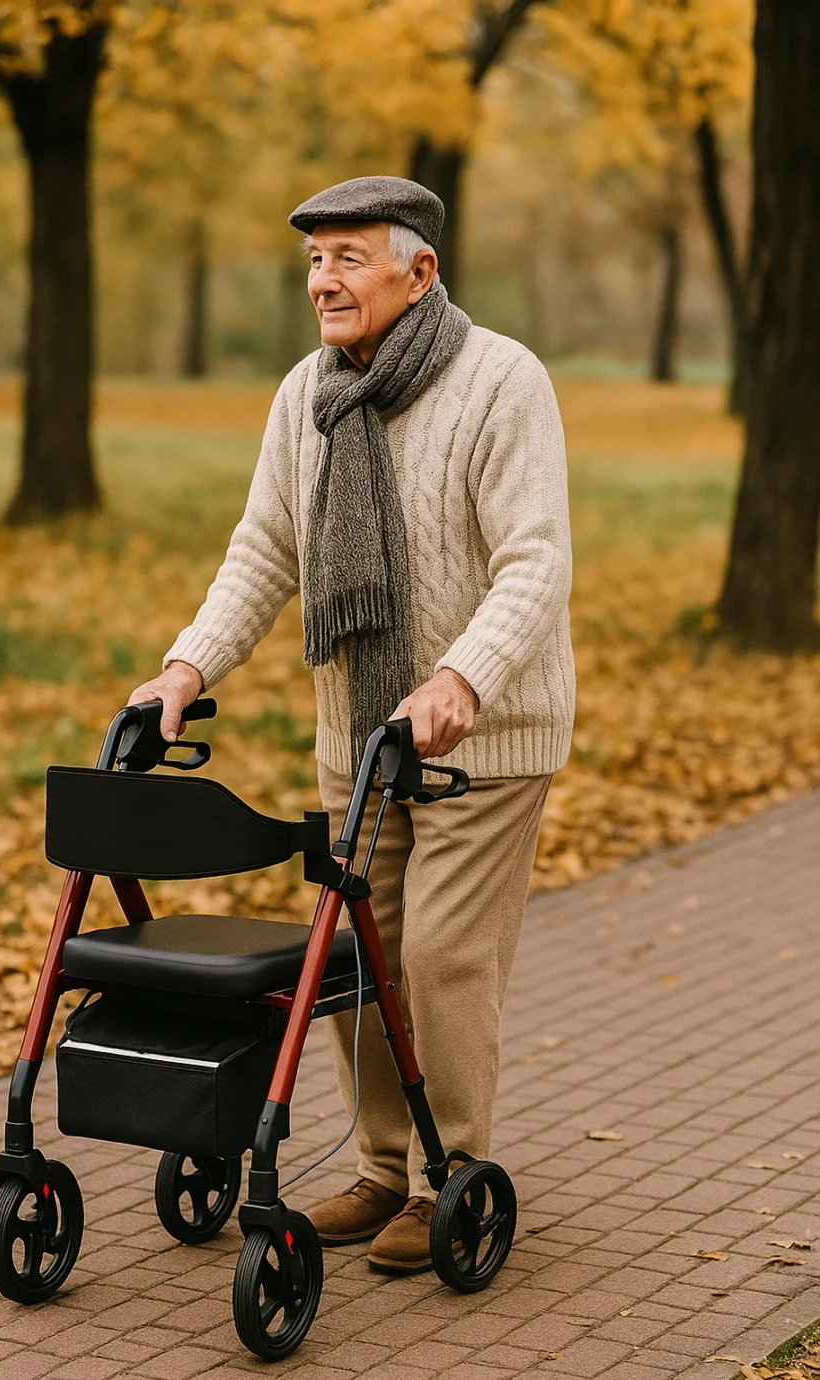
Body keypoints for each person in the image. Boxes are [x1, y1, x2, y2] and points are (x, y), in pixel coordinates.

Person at [129, 175, 575, 1275]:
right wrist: (185, 667)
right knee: (354, 958)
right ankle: (381, 1167)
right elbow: (264, 548)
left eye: (347, 258)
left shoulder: (500, 381)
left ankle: (446, 1175)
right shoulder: (309, 394)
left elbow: (534, 562)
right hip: (360, 740)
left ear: (418, 272)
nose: (323, 282)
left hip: (483, 740)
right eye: (313, 261)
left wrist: (461, 678)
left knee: (440, 955)